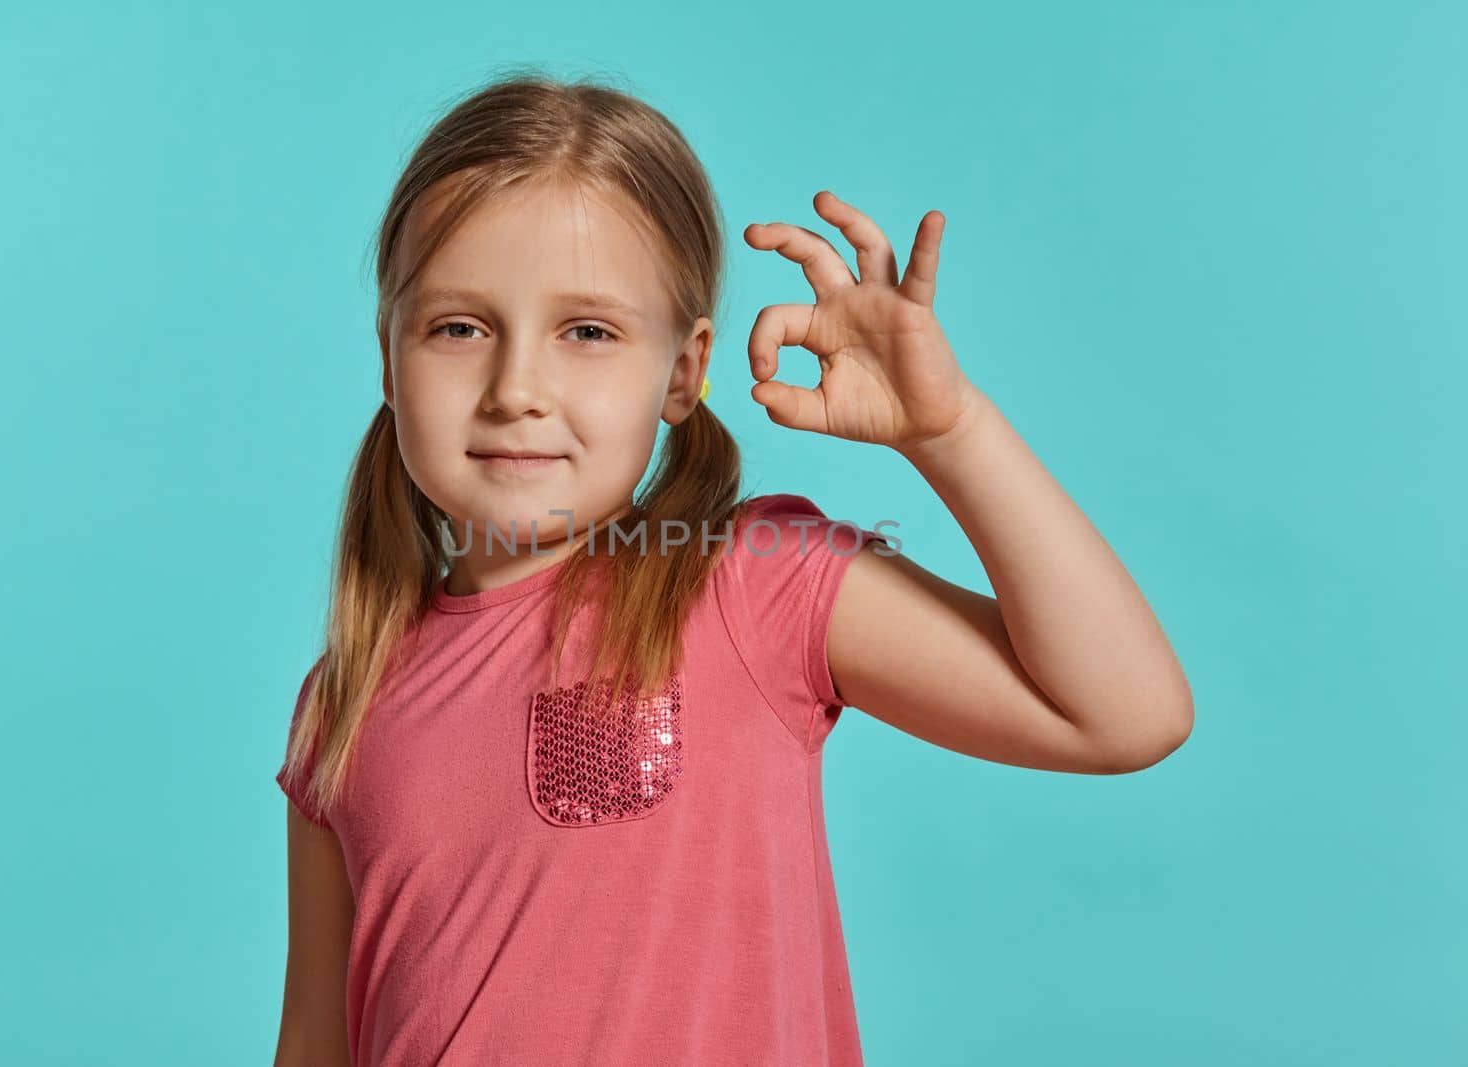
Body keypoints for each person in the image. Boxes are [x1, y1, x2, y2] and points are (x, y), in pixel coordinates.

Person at [272, 71, 1194, 1067]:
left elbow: (1122, 714)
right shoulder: (344, 698)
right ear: (388, 355)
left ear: (681, 370)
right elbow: (319, 1037)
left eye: (587, 331)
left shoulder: (753, 589)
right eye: (460, 327)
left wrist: (951, 429)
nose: (516, 388)